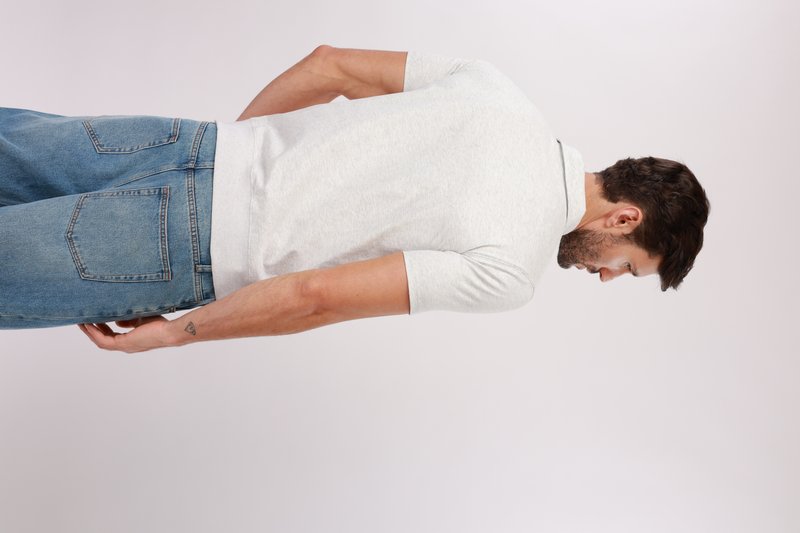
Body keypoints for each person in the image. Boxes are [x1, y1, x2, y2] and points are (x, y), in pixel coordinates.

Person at [0, 45, 709, 352]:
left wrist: (238, 161)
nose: (605, 274)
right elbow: (314, 297)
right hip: (186, 247)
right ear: (625, 217)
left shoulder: (501, 91)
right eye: (626, 265)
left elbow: (327, 65)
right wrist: (174, 333)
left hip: (184, 142)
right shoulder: (512, 271)